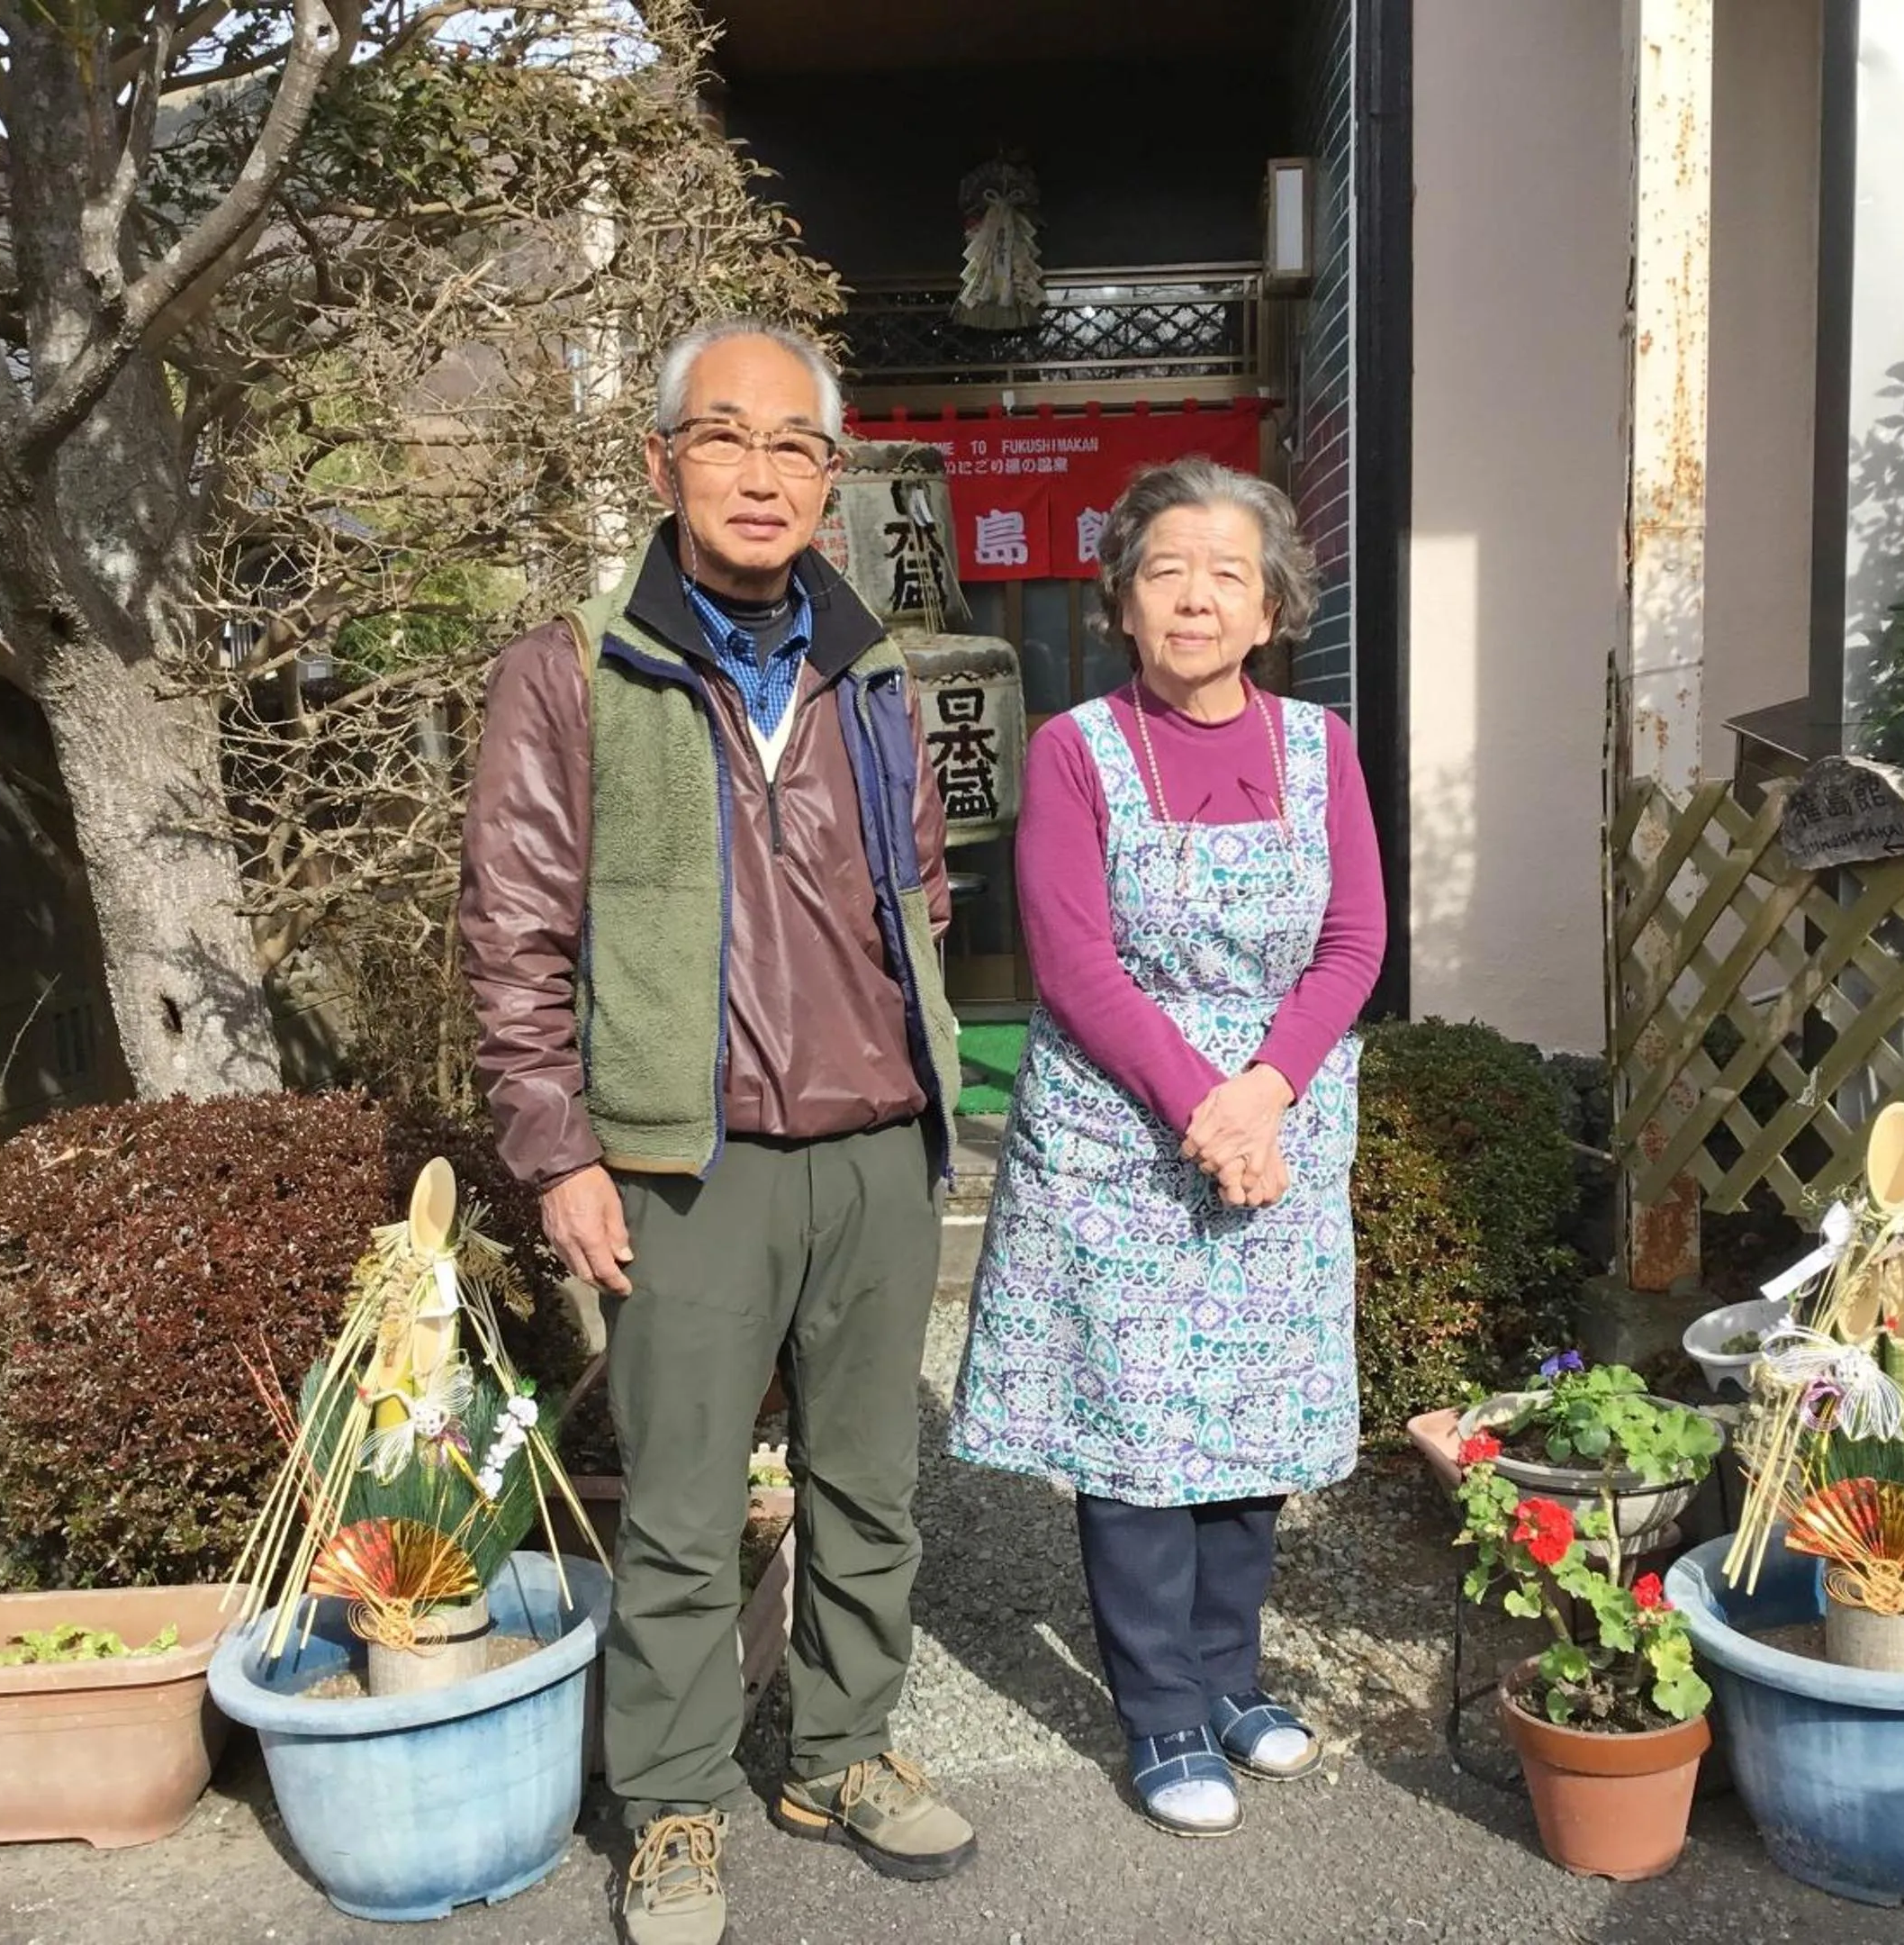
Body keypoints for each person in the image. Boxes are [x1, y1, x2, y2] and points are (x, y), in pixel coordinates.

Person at [459, 319, 975, 1945]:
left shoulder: (872, 668)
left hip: (876, 1144)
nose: (762, 474)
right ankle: (675, 1805)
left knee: (870, 1483)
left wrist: (920, 1080)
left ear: (834, 478)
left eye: (795, 448)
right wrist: (557, 1152)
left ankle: (841, 1750)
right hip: (686, 1158)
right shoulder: (575, 671)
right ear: (663, 460)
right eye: (726, 437)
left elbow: (922, 890)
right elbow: (516, 931)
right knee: (680, 1504)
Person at [949, 457, 1386, 1839]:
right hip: (1120, 1135)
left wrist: (1264, 1094)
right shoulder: (1074, 748)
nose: (1196, 597)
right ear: (1125, 604)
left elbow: (1356, 941)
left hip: (1280, 1118)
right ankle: (1160, 1713)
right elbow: (1074, 965)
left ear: (1270, 612)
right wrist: (1208, 1106)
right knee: (1136, 1435)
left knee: (1250, 1425)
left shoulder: (1321, 750)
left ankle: (1232, 1678)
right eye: (1166, 572)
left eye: (1227, 574)